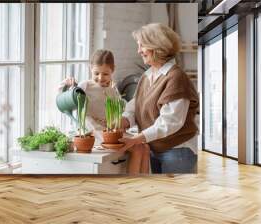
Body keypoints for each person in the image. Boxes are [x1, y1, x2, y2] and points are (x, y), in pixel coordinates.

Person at [119, 23, 199, 173]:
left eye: (142, 46)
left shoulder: (176, 77)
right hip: (156, 148)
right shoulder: (148, 75)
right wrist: (125, 119)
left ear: (156, 46)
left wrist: (137, 139)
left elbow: (170, 122)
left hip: (177, 151)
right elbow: (136, 104)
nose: (139, 51)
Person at [58, 49, 150, 174]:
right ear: (90, 68)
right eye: (96, 73)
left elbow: (119, 112)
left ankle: (143, 185)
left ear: (113, 70)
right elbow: (67, 98)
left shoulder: (112, 89)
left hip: (111, 130)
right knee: (137, 149)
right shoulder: (86, 86)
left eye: (105, 74)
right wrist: (68, 84)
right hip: (95, 132)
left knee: (144, 146)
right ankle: (132, 186)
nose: (100, 78)